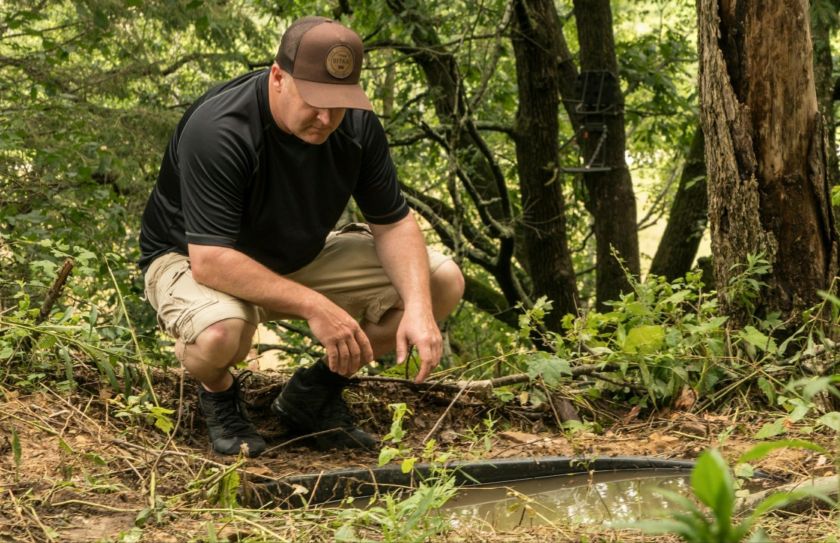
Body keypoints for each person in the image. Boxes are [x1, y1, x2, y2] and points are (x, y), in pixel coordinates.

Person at [138, 16, 465, 457]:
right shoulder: (221, 129)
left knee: (441, 282)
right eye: (314, 100)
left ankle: (313, 394)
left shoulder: (356, 125)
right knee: (220, 334)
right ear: (278, 76)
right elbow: (210, 259)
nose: (327, 117)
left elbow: (393, 222)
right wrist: (316, 306)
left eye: (339, 103)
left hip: (298, 257)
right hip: (194, 260)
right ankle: (218, 393)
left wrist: (422, 310)